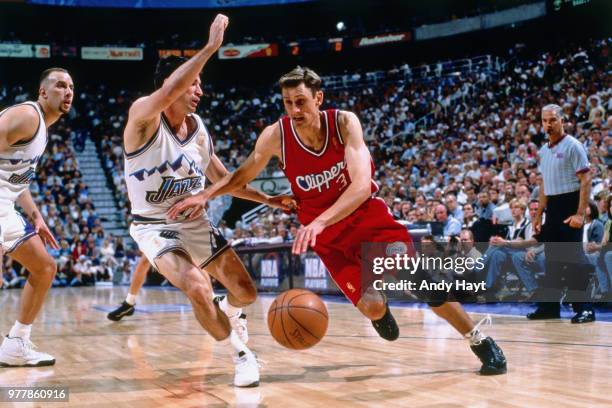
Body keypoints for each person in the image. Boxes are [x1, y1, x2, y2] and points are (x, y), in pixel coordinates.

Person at [169, 66, 507, 375]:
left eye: (301, 101)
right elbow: (241, 174)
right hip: (331, 242)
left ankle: (479, 340)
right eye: (287, 103)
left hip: (368, 222)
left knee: (421, 279)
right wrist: (205, 195)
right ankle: (380, 309)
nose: (294, 110)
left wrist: (318, 221)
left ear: (319, 98)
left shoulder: (344, 123)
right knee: (373, 308)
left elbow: (360, 187)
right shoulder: (276, 135)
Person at [122, 14, 290, 387]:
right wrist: (210, 48)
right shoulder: (142, 119)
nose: (199, 90)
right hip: (155, 227)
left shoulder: (198, 130)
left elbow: (224, 180)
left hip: (194, 224)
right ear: (173, 85)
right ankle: (240, 355)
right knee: (197, 286)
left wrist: (268, 198)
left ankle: (228, 314)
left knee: (245, 292)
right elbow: (166, 91)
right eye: (192, 84)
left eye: (200, 84)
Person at [0, 67, 73, 366]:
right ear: (43, 91)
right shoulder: (28, 116)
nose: (67, 91)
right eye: (59, 85)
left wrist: (37, 217)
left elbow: (17, 180)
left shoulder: (41, 128)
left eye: (70, 86)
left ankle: (17, 343)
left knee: (44, 267)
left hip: (5, 204)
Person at [528, 104, 595, 323]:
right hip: (553, 208)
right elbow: (545, 184)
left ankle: (585, 308)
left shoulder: (573, 146)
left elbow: (586, 179)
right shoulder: (544, 150)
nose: (548, 124)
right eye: (545, 120)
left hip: (570, 204)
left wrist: (580, 214)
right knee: (552, 260)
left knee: (574, 259)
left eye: (553, 120)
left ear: (562, 121)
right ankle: (549, 308)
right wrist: (539, 216)